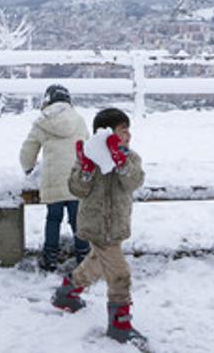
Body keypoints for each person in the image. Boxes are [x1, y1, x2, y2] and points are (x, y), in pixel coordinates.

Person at [52, 107, 147, 347]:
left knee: (96, 264)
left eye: (128, 130)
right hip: (95, 225)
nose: (128, 135)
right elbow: (77, 189)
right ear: (105, 134)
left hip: (115, 225)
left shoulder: (131, 157)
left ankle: (67, 293)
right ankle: (119, 325)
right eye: (122, 130)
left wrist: (121, 162)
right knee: (119, 274)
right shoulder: (89, 158)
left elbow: (134, 182)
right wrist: (85, 169)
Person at [19, 84, 91, 271]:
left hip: (53, 182)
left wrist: (28, 169)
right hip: (77, 180)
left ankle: (50, 256)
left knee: (53, 218)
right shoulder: (79, 120)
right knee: (78, 220)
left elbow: (28, 151)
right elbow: (88, 147)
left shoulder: (42, 122)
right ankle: (84, 255)